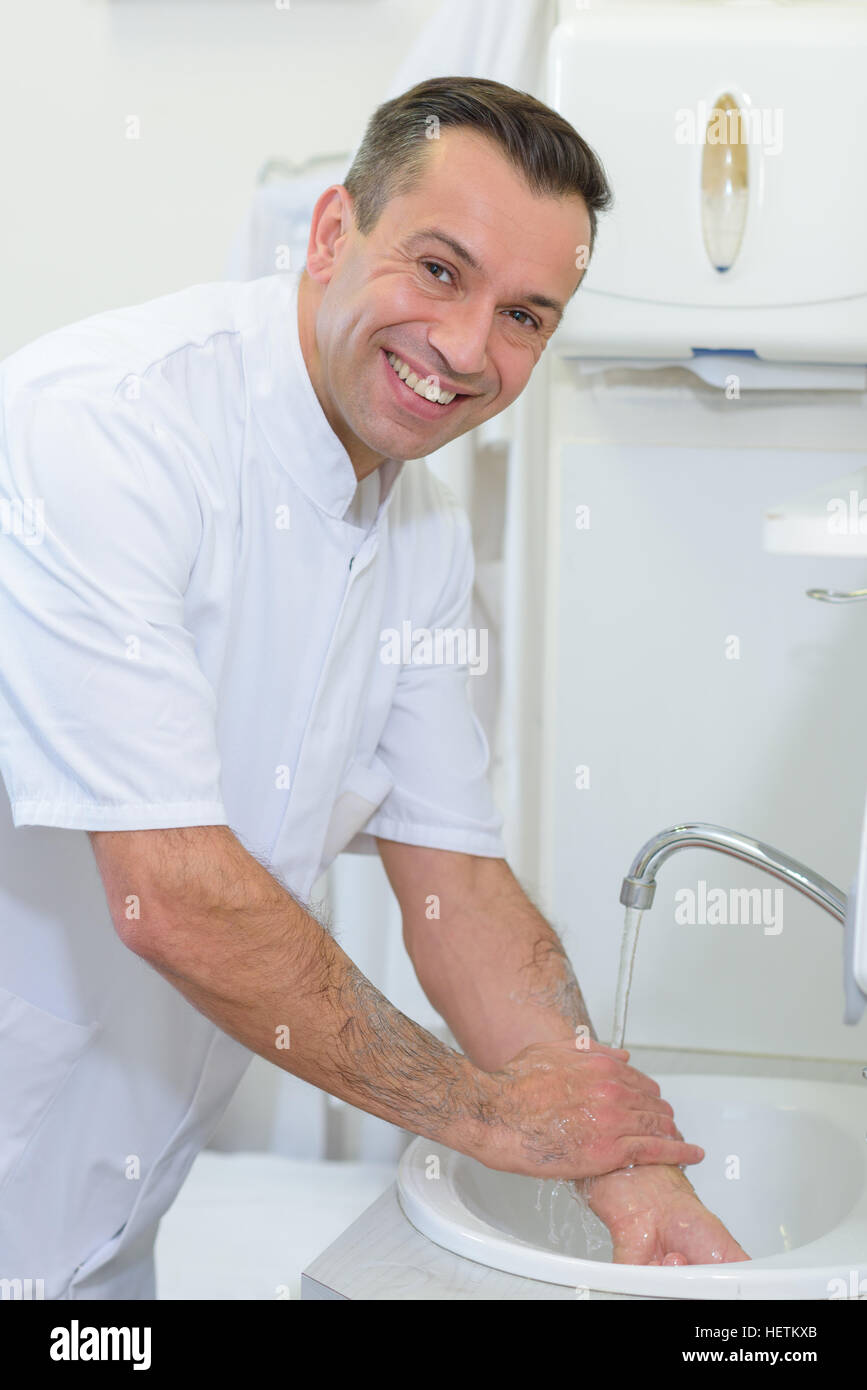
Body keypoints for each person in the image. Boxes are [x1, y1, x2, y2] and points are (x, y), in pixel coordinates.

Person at [0, 76, 747, 1301]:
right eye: (441, 270)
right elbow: (171, 894)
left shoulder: (424, 536)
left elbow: (455, 886)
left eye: (525, 316)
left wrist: (631, 1179)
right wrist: (489, 1113)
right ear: (334, 232)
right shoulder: (101, 430)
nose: (467, 350)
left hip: (105, 1237)